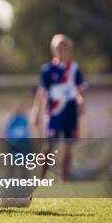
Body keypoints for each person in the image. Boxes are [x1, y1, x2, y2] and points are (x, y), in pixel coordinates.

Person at [30, 34, 87, 181]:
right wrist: (36, 111)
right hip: (54, 112)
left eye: (64, 47)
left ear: (69, 49)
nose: (61, 50)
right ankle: (39, 179)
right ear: (53, 49)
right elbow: (42, 92)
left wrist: (81, 101)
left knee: (68, 146)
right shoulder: (47, 70)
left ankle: (64, 180)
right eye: (58, 47)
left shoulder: (74, 68)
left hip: (70, 112)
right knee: (49, 145)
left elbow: (78, 91)